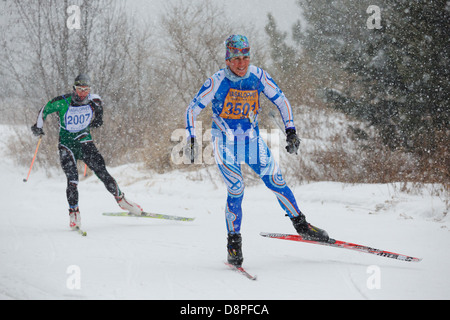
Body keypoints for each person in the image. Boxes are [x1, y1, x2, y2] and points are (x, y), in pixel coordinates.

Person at [185, 35, 329, 267]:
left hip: (251, 141)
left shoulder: (258, 76)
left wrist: (291, 130)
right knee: (237, 188)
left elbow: (282, 101)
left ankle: (302, 226)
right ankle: (234, 242)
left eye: (246, 57)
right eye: (236, 58)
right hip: (224, 142)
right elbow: (192, 109)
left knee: (276, 180)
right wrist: (191, 138)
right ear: (228, 58)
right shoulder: (217, 80)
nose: (241, 63)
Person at [31, 74, 143, 231]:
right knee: (72, 179)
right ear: (74, 89)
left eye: (86, 89)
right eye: (79, 89)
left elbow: (99, 108)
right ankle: (74, 213)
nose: (83, 93)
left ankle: (122, 200)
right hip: (66, 145)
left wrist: (99, 119)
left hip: (84, 141)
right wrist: (38, 126)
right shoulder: (63, 101)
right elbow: (44, 109)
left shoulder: (94, 100)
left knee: (102, 172)